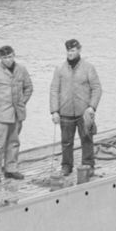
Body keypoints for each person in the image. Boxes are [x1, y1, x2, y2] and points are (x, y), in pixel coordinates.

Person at [0, 45, 33, 183]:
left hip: (17, 114)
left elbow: (28, 87)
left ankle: (11, 169)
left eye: (10, 57)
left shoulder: (21, 69)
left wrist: (22, 103)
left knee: (14, 143)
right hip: (0, 115)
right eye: (4, 58)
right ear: (0, 58)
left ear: (14, 55)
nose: (8, 60)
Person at [49, 38, 102, 177]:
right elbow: (54, 90)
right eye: (68, 51)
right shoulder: (59, 69)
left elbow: (97, 88)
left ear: (79, 49)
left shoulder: (88, 68)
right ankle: (66, 166)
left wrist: (92, 107)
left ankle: (88, 164)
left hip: (84, 111)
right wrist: (54, 111)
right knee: (66, 142)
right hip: (65, 111)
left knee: (87, 139)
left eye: (73, 50)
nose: (70, 53)